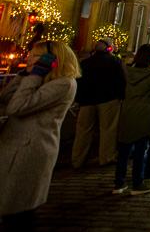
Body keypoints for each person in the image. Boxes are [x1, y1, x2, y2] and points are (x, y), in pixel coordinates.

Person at [0, 41, 80, 231]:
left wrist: (34, 76)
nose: (29, 59)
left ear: (53, 60)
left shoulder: (63, 84)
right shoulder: (40, 79)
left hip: (29, 149)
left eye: (35, 56)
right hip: (13, 145)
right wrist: (24, 76)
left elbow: (16, 107)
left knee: (18, 210)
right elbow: (5, 98)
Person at [114, 43, 150, 196]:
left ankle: (119, 183)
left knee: (123, 151)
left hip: (127, 111)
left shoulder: (127, 71)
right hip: (145, 113)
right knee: (141, 151)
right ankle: (138, 182)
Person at [72, 38, 127, 168]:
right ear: (109, 48)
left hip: (87, 101)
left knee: (83, 131)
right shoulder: (115, 62)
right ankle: (106, 157)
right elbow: (122, 80)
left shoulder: (85, 63)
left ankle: (77, 160)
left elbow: (79, 81)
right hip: (108, 100)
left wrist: (79, 99)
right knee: (108, 130)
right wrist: (121, 96)